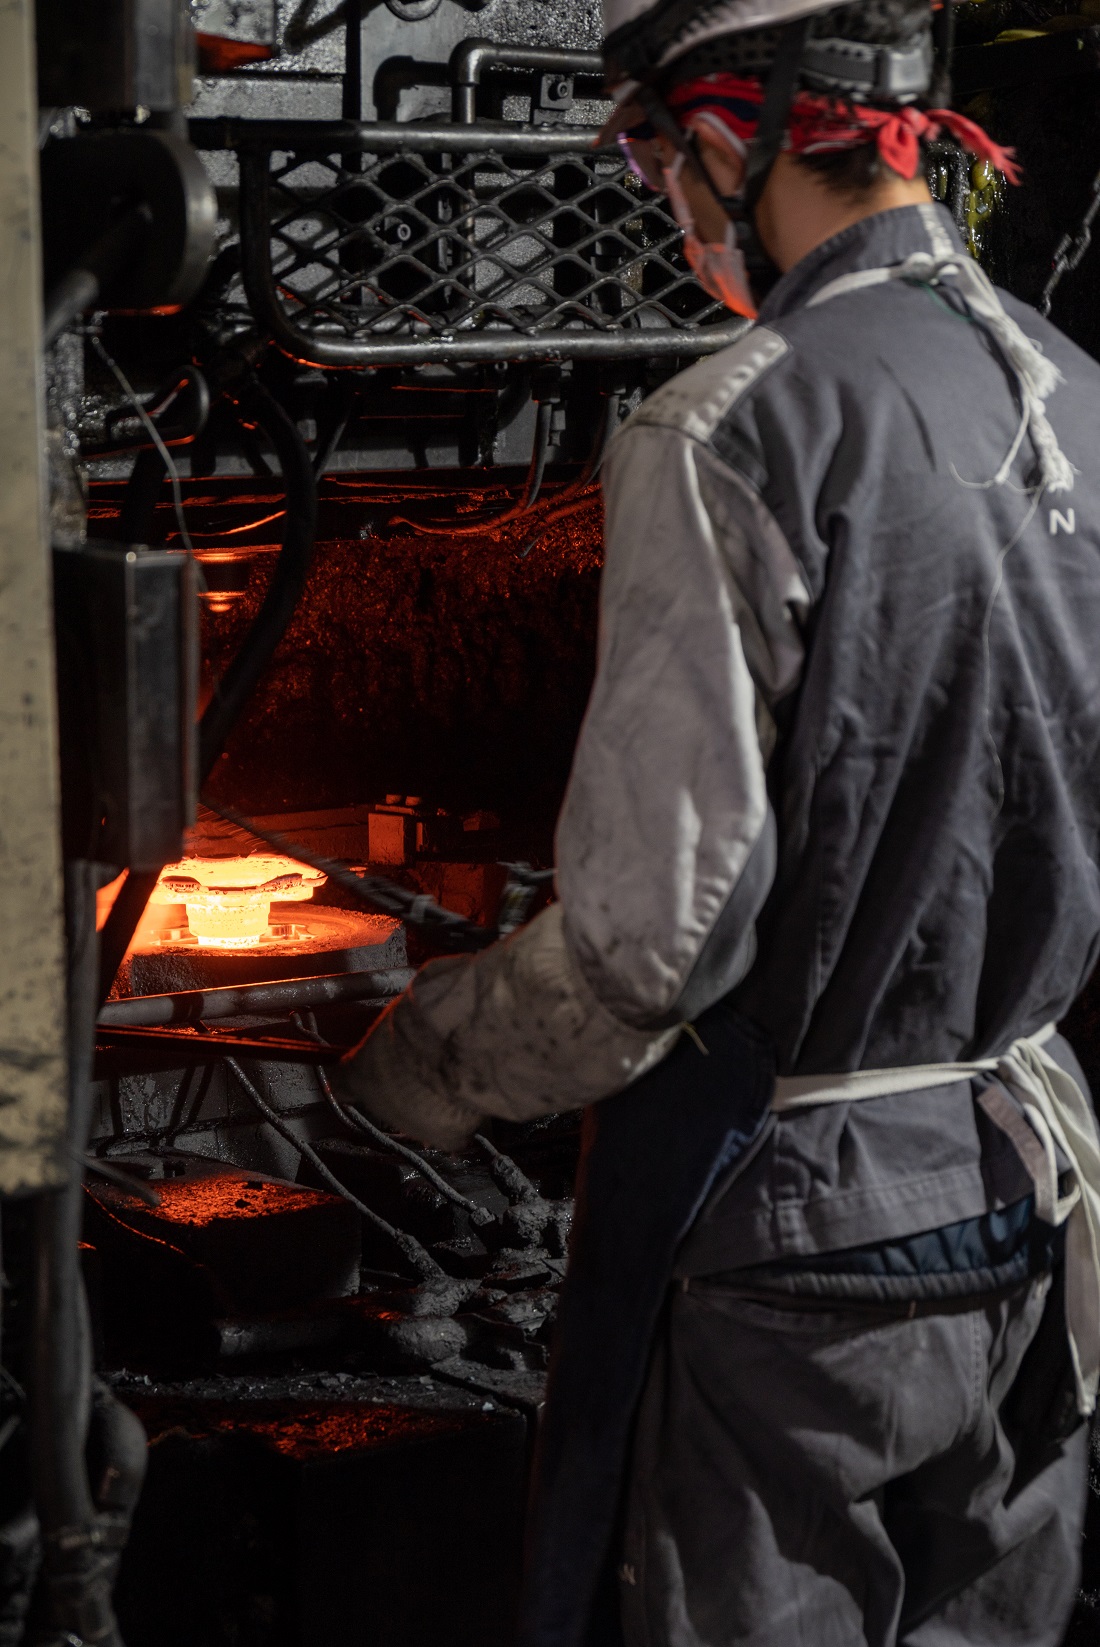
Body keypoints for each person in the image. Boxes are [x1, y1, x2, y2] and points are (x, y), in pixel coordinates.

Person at [336, 2, 1100, 1641]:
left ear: (724, 142)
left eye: (654, 164)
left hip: (805, 1224)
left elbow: (648, 949)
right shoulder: (1077, 390)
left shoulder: (728, 423)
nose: (670, 211)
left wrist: (423, 1063)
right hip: (1027, 1179)